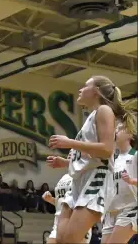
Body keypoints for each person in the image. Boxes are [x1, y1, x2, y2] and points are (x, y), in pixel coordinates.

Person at [47, 76, 136, 244]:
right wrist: (66, 162)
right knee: (60, 239)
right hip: (79, 179)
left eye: (85, 86)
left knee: (70, 240)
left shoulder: (104, 110)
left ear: (95, 91)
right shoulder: (91, 116)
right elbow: (89, 155)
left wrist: (69, 142)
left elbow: (106, 149)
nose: (80, 90)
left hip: (97, 179)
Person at [102, 123, 138, 244]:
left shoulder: (135, 155)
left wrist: (132, 181)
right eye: (115, 128)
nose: (116, 131)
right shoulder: (113, 159)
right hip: (111, 212)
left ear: (130, 135)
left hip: (129, 209)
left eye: (120, 128)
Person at [42, 172, 91, 243]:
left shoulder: (84, 175)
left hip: (76, 222)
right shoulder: (64, 176)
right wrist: (51, 199)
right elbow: (64, 201)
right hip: (59, 222)